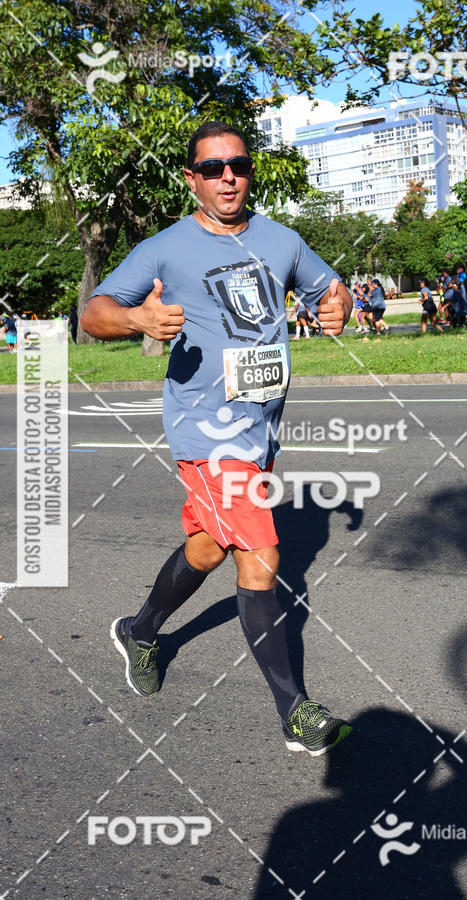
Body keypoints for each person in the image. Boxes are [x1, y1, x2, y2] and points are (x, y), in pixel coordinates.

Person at [80, 120, 353, 757]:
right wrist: (137, 317)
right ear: (192, 179)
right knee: (261, 556)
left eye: (238, 164)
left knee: (206, 548)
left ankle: (140, 628)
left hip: (261, 428)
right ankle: (294, 712)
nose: (227, 176)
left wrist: (334, 304)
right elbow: (94, 314)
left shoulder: (282, 240)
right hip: (205, 434)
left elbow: (327, 289)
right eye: (212, 168)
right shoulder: (165, 247)